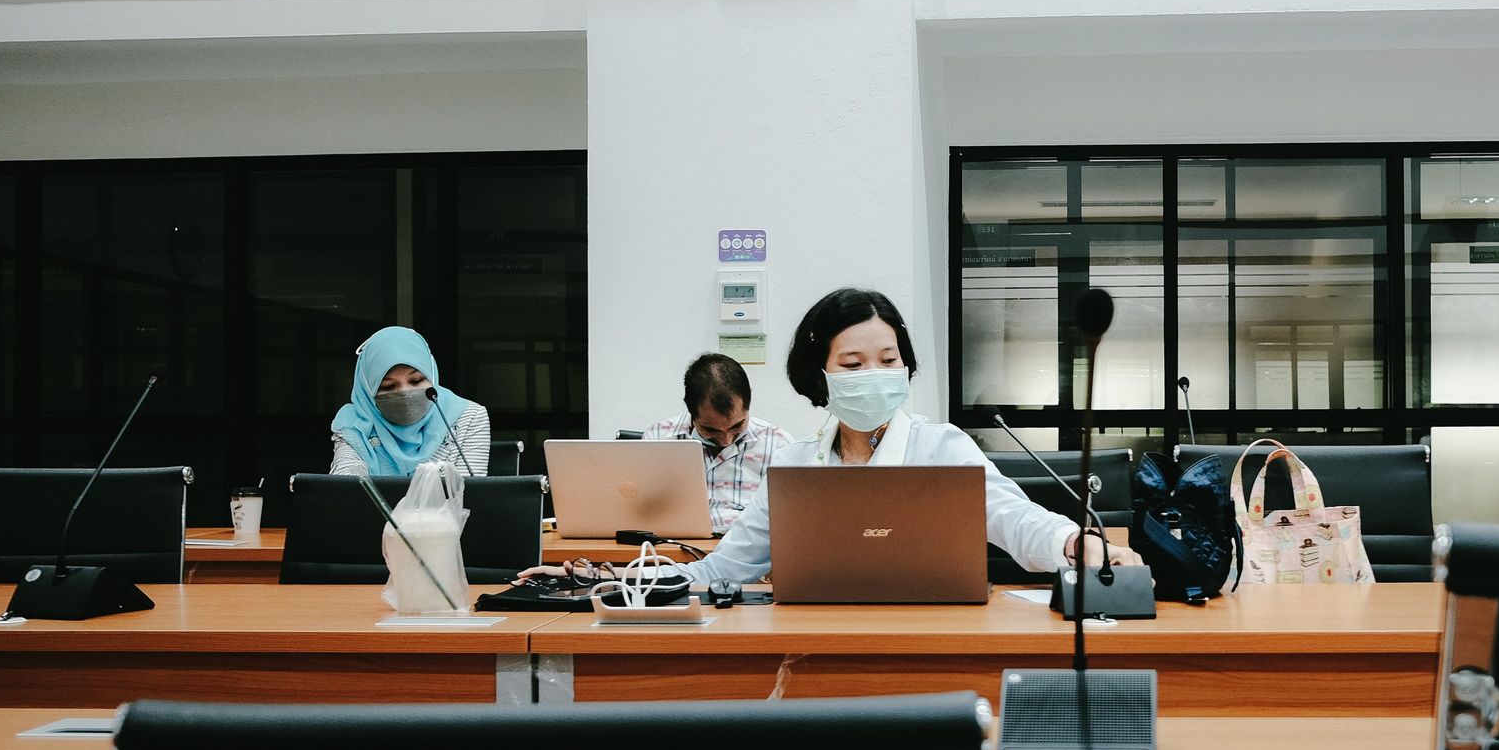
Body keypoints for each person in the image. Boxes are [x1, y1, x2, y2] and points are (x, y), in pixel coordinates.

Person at [523, 288, 1138, 589]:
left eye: (888, 359)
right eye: (852, 363)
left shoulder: (940, 447)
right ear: (820, 376)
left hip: (929, 642)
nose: (874, 374)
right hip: (813, 642)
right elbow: (725, 568)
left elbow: (1016, 520)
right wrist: (613, 580)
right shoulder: (796, 465)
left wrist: (1076, 542)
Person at [640, 353, 793, 533]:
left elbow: (791, 517)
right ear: (690, 410)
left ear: (748, 403)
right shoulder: (658, 438)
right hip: (672, 541)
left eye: (737, 426)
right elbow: (641, 508)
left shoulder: (778, 444)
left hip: (748, 545)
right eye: (711, 430)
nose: (726, 440)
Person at [330, 325, 490, 477]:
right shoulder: (353, 424)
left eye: (416, 380)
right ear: (367, 390)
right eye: (388, 386)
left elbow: (467, 490)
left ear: (432, 376)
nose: (404, 393)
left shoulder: (468, 417)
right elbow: (345, 487)